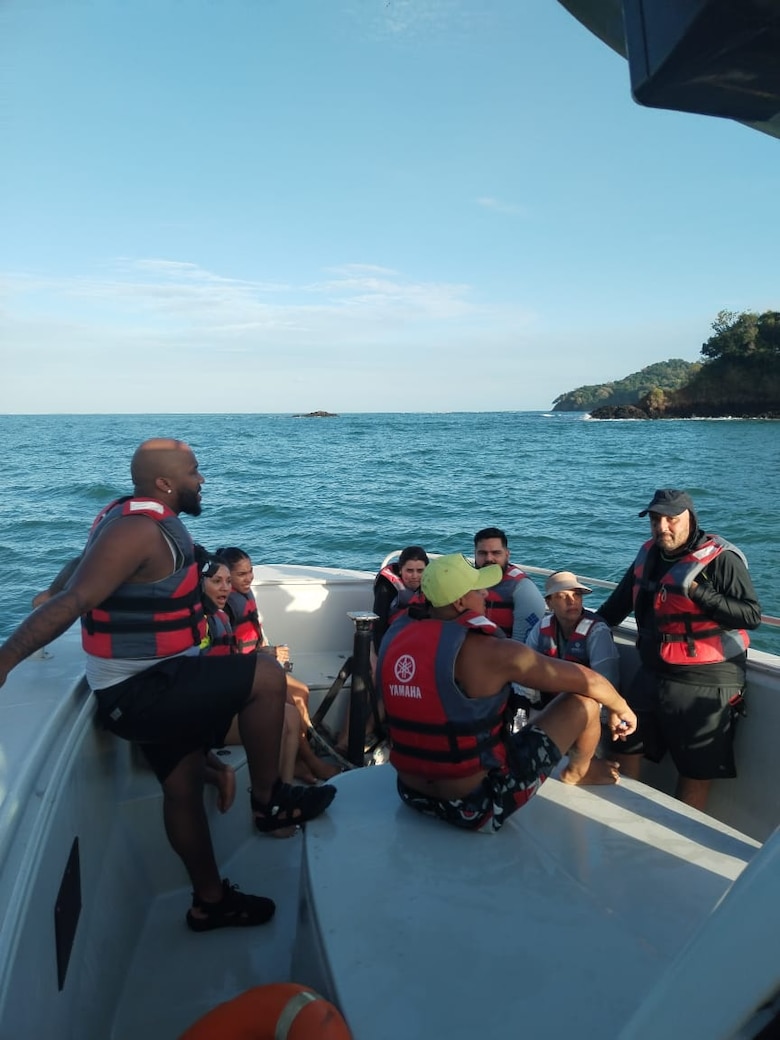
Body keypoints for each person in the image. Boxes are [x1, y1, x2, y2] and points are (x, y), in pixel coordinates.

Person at [0, 439, 336, 932]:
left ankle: (210, 903)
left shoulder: (135, 518)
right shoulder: (137, 530)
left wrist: (50, 588)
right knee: (266, 675)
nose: (202, 480)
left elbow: (82, 564)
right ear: (165, 483)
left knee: (180, 789)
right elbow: (77, 599)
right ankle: (270, 801)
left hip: (155, 682)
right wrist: (7, 658)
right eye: (195, 472)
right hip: (141, 691)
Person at [376, 553, 636, 833]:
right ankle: (580, 771)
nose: (486, 593)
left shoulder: (395, 638)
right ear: (460, 602)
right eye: (478, 589)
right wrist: (621, 708)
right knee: (582, 701)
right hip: (477, 807)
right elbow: (589, 681)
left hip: (411, 793)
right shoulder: (496, 653)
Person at [596, 489, 762, 811]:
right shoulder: (648, 554)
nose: (663, 527)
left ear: (690, 518)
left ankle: (675, 847)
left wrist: (699, 592)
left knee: (694, 771)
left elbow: (751, 615)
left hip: (707, 677)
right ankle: (619, 821)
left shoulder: (721, 559)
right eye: (656, 520)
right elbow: (616, 607)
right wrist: (579, 627)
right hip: (653, 671)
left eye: (672, 519)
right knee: (624, 744)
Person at [218, 545, 339, 783]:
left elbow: (252, 639)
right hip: (247, 674)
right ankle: (308, 761)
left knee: (302, 692)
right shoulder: (227, 607)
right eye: (242, 575)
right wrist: (266, 653)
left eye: (250, 572)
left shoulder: (244, 597)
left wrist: (268, 653)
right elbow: (229, 658)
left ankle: (299, 760)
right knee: (290, 703)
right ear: (227, 577)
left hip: (258, 666)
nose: (249, 578)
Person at [199, 553, 301, 797]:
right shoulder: (199, 623)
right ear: (200, 584)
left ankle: (283, 790)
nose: (225, 588)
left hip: (227, 699)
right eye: (216, 582)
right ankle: (273, 794)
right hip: (208, 716)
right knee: (284, 714)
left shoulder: (219, 615)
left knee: (291, 715)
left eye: (226, 582)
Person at [523, 571, 620, 710]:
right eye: (562, 596)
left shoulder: (597, 631)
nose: (571, 601)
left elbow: (608, 684)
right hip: (548, 708)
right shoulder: (541, 627)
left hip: (586, 711)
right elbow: (525, 667)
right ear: (549, 603)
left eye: (577, 595)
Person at [473, 527, 546, 642]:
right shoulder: (466, 581)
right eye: (482, 553)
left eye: (496, 553)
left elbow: (522, 644)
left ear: (507, 555)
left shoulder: (523, 589)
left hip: (503, 654)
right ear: (475, 554)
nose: (489, 558)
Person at [372, 546, 429, 651]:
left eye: (420, 571)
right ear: (400, 570)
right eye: (409, 571)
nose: (415, 576)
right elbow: (378, 627)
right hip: (391, 637)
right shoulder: (386, 588)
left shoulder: (431, 585)